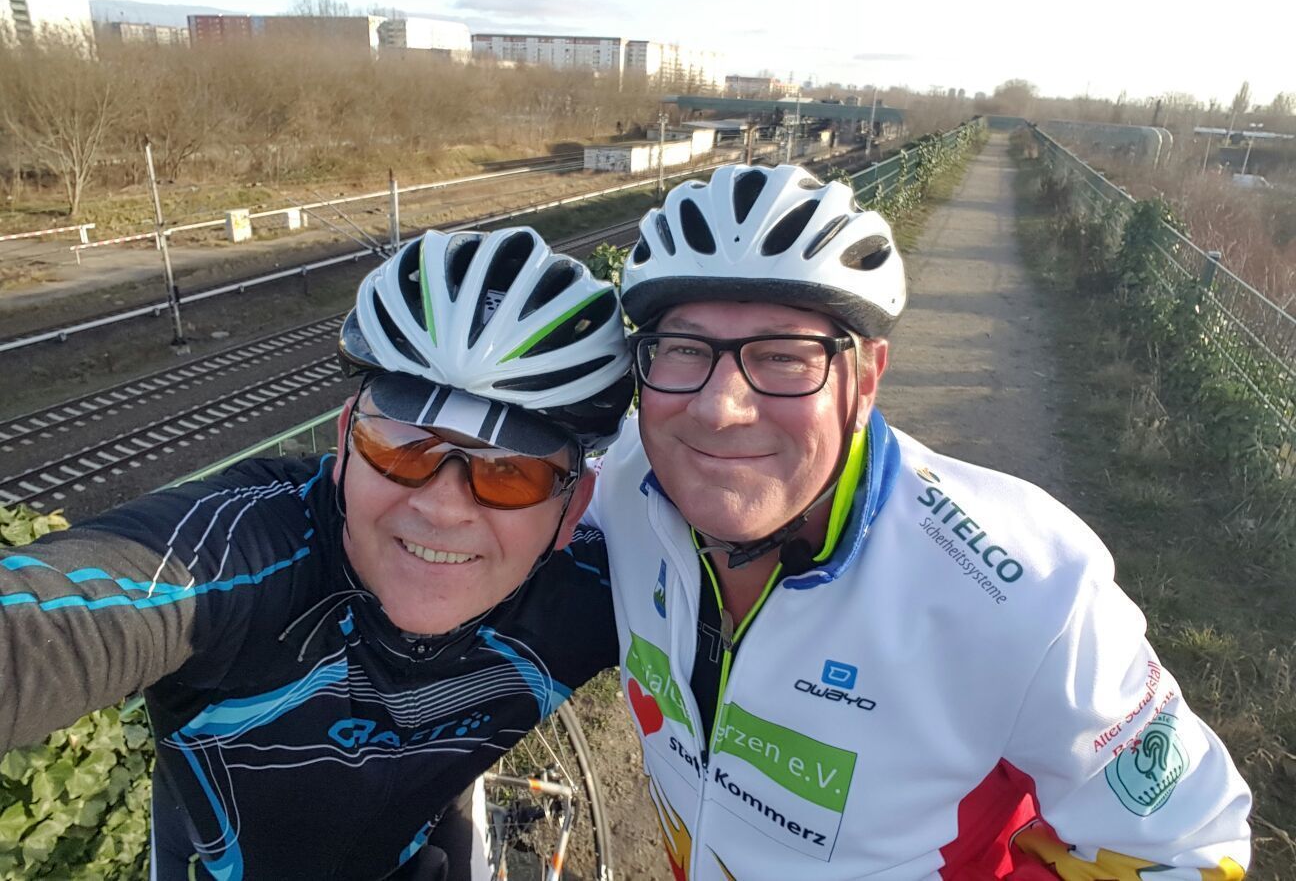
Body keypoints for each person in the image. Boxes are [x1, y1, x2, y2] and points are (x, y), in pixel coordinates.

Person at [586, 164, 1251, 879]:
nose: (720, 408)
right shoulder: (619, 483)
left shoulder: (1026, 591)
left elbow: (1186, 852)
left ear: (866, 379)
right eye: (685, 350)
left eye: (782, 357)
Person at [0, 227, 635, 880]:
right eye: (400, 445)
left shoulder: (600, 591)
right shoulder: (237, 559)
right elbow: (41, 626)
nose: (443, 507)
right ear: (344, 444)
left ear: (572, 509)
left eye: (510, 473)